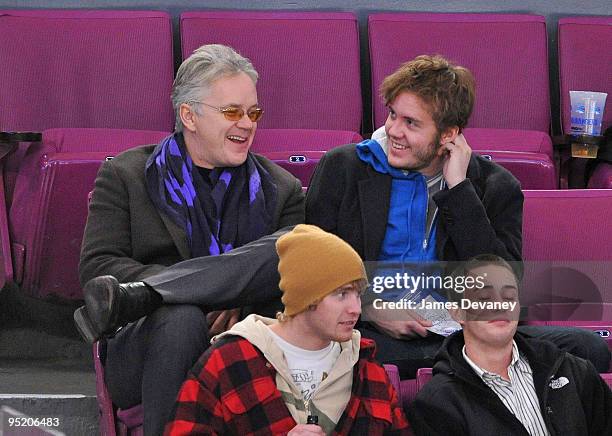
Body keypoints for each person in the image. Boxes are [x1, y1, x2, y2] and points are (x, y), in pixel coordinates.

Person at [305, 54, 610, 376]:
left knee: (584, 347)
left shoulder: (494, 185)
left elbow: (502, 287)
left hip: (464, 335)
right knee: (333, 351)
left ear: (448, 134)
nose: (394, 130)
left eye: (411, 123)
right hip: (368, 331)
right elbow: (314, 265)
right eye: (393, 115)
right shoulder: (344, 168)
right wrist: (370, 307)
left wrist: (459, 191)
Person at [73, 44, 304, 435]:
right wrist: (206, 295)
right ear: (189, 115)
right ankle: (164, 302)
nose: (247, 124)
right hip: (144, 344)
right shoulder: (127, 176)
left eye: (253, 112)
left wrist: (213, 293)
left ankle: (155, 291)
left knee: (294, 246)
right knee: (180, 318)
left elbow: (294, 285)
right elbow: (99, 267)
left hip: (249, 338)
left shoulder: (282, 189)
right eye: (232, 112)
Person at [164, 225, 410, 435]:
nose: (356, 308)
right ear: (305, 297)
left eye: (358, 295)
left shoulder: (367, 368)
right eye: (342, 294)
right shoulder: (229, 359)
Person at [408, 255, 612, 436]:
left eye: (509, 297)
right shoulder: (437, 403)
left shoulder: (574, 370)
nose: (500, 305)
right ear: (458, 313)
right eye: (485, 298)